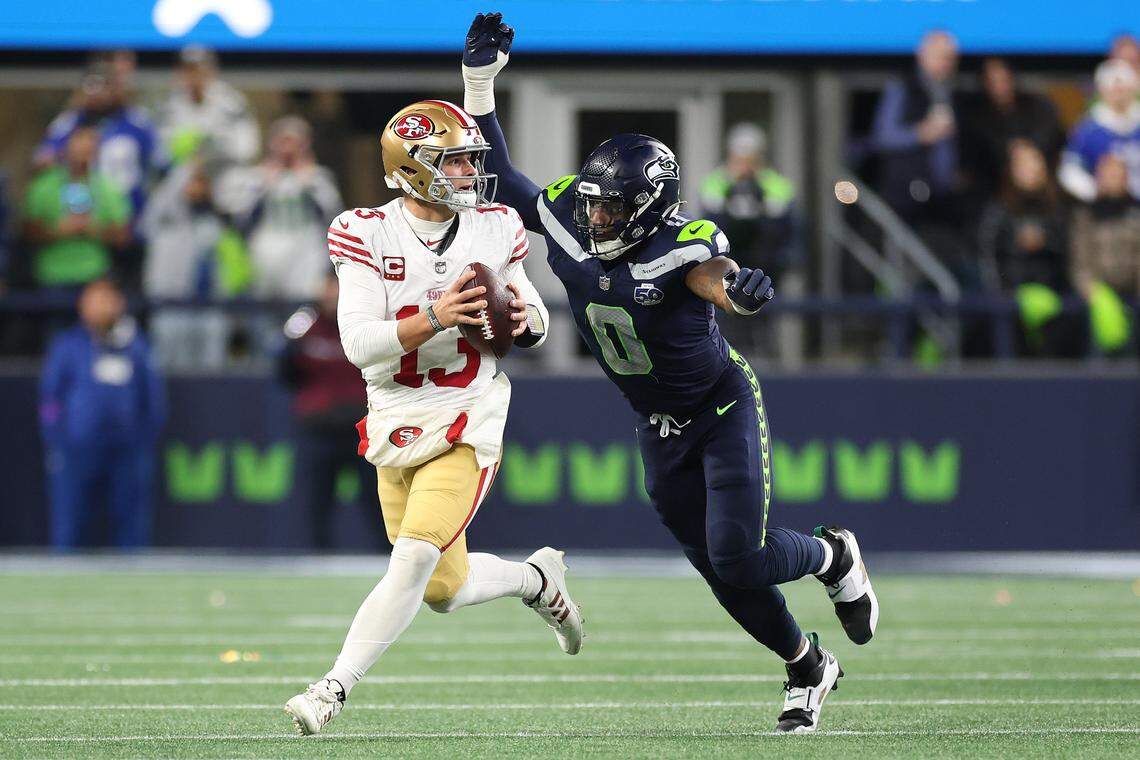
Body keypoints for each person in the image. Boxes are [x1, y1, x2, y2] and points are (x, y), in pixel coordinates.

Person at [461, 12, 878, 733]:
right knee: (720, 568)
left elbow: (715, 274)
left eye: (612, 207)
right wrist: (478, 82)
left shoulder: (681, 246)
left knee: (739, 556)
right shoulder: (569, 217)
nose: (595, 217)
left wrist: (741, 291)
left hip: (720, 407)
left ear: (649, 207)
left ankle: (832, 554)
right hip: (656, 426)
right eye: (593, 204)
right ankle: (808, 667)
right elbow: (497, 177)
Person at [283, 99, 582, 735]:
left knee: (414, 557)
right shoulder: (364, 231)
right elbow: (359, 343)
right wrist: (436, 317)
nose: (471, 172)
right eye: (456, 161)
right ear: (414, 167)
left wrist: (525, 320)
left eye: (473, 160)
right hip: (394, 413)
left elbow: (536, 315)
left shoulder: (495, 226)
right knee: (444, 589)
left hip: (468, 413)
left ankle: (332, 688)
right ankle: (535, 580)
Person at [39, 278, 165, 549]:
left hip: (127, 450)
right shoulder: (67, 345)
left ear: (119, 304)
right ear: (82, 306)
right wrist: (58, 440)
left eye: (105, 299)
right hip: (77, 450)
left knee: (131, 527)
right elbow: (50, 399)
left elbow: (153, 399)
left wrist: (143, 440)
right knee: (70, 526)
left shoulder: (136, 345)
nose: (99, 307)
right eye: (93, 300)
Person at [277, 274, 381, 550]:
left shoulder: (368, 323)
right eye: (328, 286)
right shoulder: (304, 324)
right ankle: (315, 557)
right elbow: (285, 370)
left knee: (380, 501)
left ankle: (393, 560)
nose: (332, 293)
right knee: (315, 502)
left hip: (364, 429)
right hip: (319, 428)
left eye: (338, 287)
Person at [220, 116, 343, 301]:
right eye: (283, 141)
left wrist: (308, 182)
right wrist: (263, 184)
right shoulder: (256, 177)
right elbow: (238, 216)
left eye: (294, 142)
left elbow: (334, 214)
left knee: (304, 298)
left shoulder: (318, 177)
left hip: (306, 247)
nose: (288, 148)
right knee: (265, 298)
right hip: (266, 247)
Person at [141, 158, 246, 369]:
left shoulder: (216, 220)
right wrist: (184, 171)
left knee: (212, 364)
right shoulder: (167, 219)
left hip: (210, 302)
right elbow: (155, 209)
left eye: (201, 182)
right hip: (172, 300)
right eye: (192, 182)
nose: (196, 187)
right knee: (170, 362)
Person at [978, 140, 1076, 357]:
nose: (1031, 170)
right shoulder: (999, 211)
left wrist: (1046, 242)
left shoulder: (1058, 209)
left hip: (1054, 299)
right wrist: (1003, 295)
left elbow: (1070, 251)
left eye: (1035, 163)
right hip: (1012, 300)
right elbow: (989, 256)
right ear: (1012, 171)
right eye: (1024, 165)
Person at [36, 62, 159, 226]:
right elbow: (44, 158)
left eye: (103, 86)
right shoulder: (69, 122)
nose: (98, 94)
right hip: (84, 213)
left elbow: (159, 163)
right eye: (91, 86)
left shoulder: (137, 122)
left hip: (131, 214)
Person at [23, 126, 130, 291]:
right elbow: (27, 231)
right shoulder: (43, 186)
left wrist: (93, 230)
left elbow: (122, 235)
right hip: (52, 276)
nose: (82, 157)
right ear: (66, 150)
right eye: (78, 150)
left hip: (95, 276)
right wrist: (57, 231)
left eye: (88, 151)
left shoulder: (108, 188)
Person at [961, 58, 1065, 201]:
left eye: (1003, 80)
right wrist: (1011, 150)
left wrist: (1028, 149)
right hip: (995, 190)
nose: (999, 87)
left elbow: (1055, 137)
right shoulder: (976, 119)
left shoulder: (1040, 107)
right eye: (992, 82)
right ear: (984, 85)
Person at [1070, 154, 1140, 355]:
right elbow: (1079, 261)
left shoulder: (1136, 212)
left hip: (1132, 295)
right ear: (1098, 179)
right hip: (1097, 297)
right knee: (1098, 355)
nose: (1113, 180)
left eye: (1118, 175)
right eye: (1108, 175)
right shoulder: (1085, 214)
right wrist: (1092, 290)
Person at [158, 45, 259, 169]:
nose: (195, 75)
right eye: (189, 69)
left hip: (224, 170)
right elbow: (161, 154)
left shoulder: (231, 102)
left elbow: (247, 149)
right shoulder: (170, 105)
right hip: (186, 171)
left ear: (212, 70)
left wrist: (212, 144)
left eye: (199, 68)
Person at [1059, 59, 1140, 203]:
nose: (1118, 94)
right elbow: (1069, 169)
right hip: (1101, 204)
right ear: (1102, 91)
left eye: (1123, 88)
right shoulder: (1088, 129)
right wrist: (1094, 190)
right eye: (1113, 89)